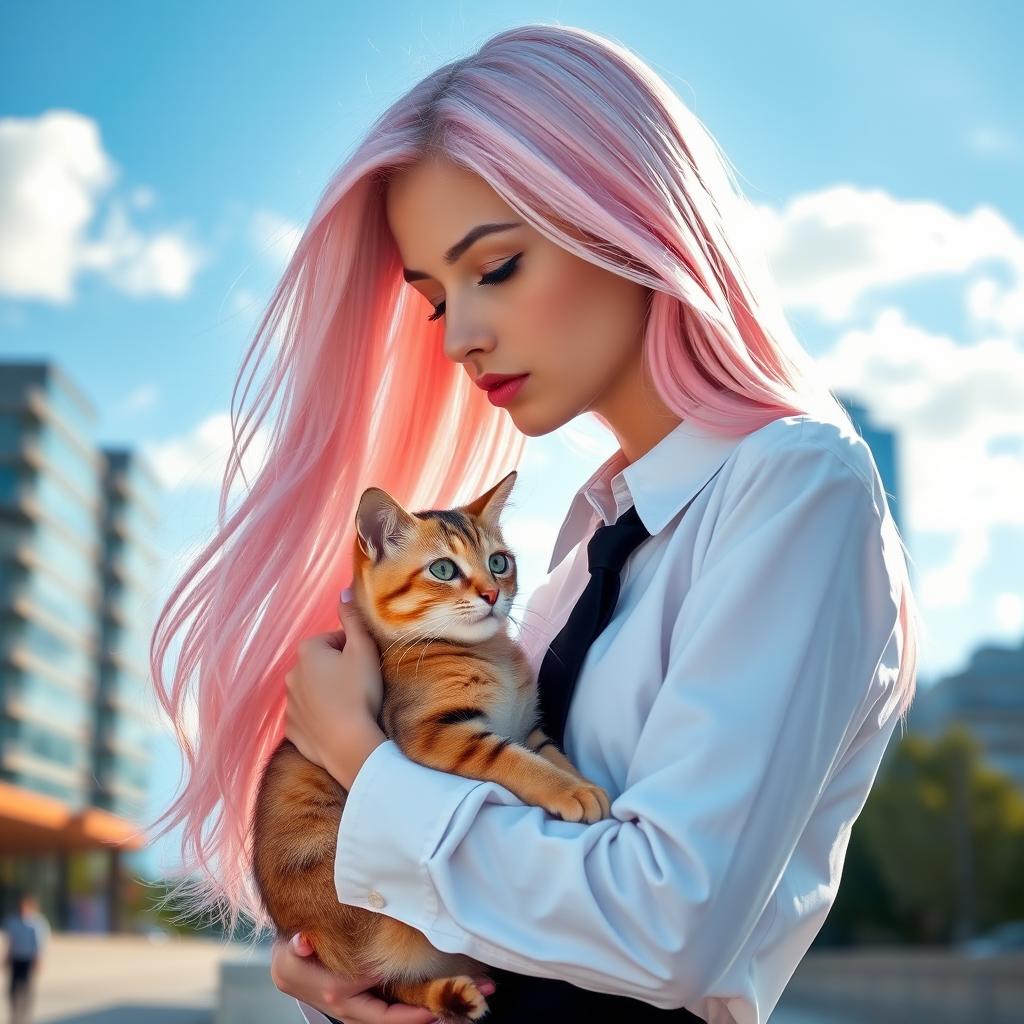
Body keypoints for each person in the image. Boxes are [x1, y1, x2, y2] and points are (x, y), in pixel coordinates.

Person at [153, 25, 916, 1024]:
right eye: (433, 301)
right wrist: (343, 980)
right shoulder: (581, 552)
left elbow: (667, 922)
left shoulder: (795, 486)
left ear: (628, 216)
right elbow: (511, 891)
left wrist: (358, 757)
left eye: (497, 267)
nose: (461, 335)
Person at [3, 895, 50, 1024]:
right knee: (12, 989)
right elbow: (11, 942)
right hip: (16, 958)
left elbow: (40, 944)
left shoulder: (36, 923)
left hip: (28, 959)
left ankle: (25, 1017)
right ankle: (14, 1016)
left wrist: (39, 960)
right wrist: (6, 958)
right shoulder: (13, 921)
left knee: (26, 988)